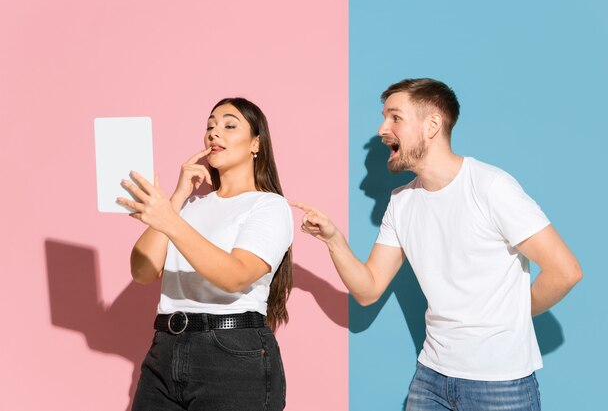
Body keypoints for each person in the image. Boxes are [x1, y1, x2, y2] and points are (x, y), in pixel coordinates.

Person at [291, 78, 582, 411]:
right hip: (431, 378)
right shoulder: (401, 202)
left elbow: (566, 271)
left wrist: (510, 313)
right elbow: (368, 289)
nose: (382, 128)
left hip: (500, 383)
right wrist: (333, 241)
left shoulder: (490, 187)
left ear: (432, 125)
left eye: (395, 118)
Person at [117, 97, 293, 411]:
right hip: (165, 349)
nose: (214, 133)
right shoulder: (186, 208)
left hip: (232, 352)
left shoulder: (269, 206)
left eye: (228, 125)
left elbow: (236, 275)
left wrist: (169, 219)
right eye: (210, 126)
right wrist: (177, 197)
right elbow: (142, 271)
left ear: (256, 144)